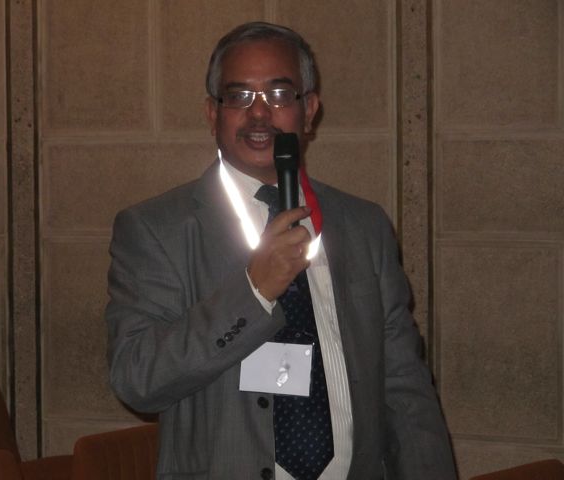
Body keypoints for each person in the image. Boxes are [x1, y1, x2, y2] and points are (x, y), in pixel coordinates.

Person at [106, 21, 456, 480]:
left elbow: (405, 389)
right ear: (212, 113)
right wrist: (252, 292)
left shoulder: (363, 226)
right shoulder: (157, 229)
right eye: (238, 96)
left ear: (308, 110)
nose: (258, 113)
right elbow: (137, 380)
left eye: (278, 94)